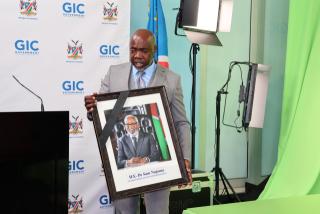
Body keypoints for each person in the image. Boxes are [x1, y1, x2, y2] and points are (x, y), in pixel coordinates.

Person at [85, 29, 192, 214]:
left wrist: (185, 159)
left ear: (154, 50)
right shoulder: (114, 73)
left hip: (159, 163)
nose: (137, 55)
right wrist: (92, 109)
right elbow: (102, 117)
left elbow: (181, 123)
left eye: (143, 50)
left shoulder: (172, 80)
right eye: (133, 50)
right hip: (123, 162)